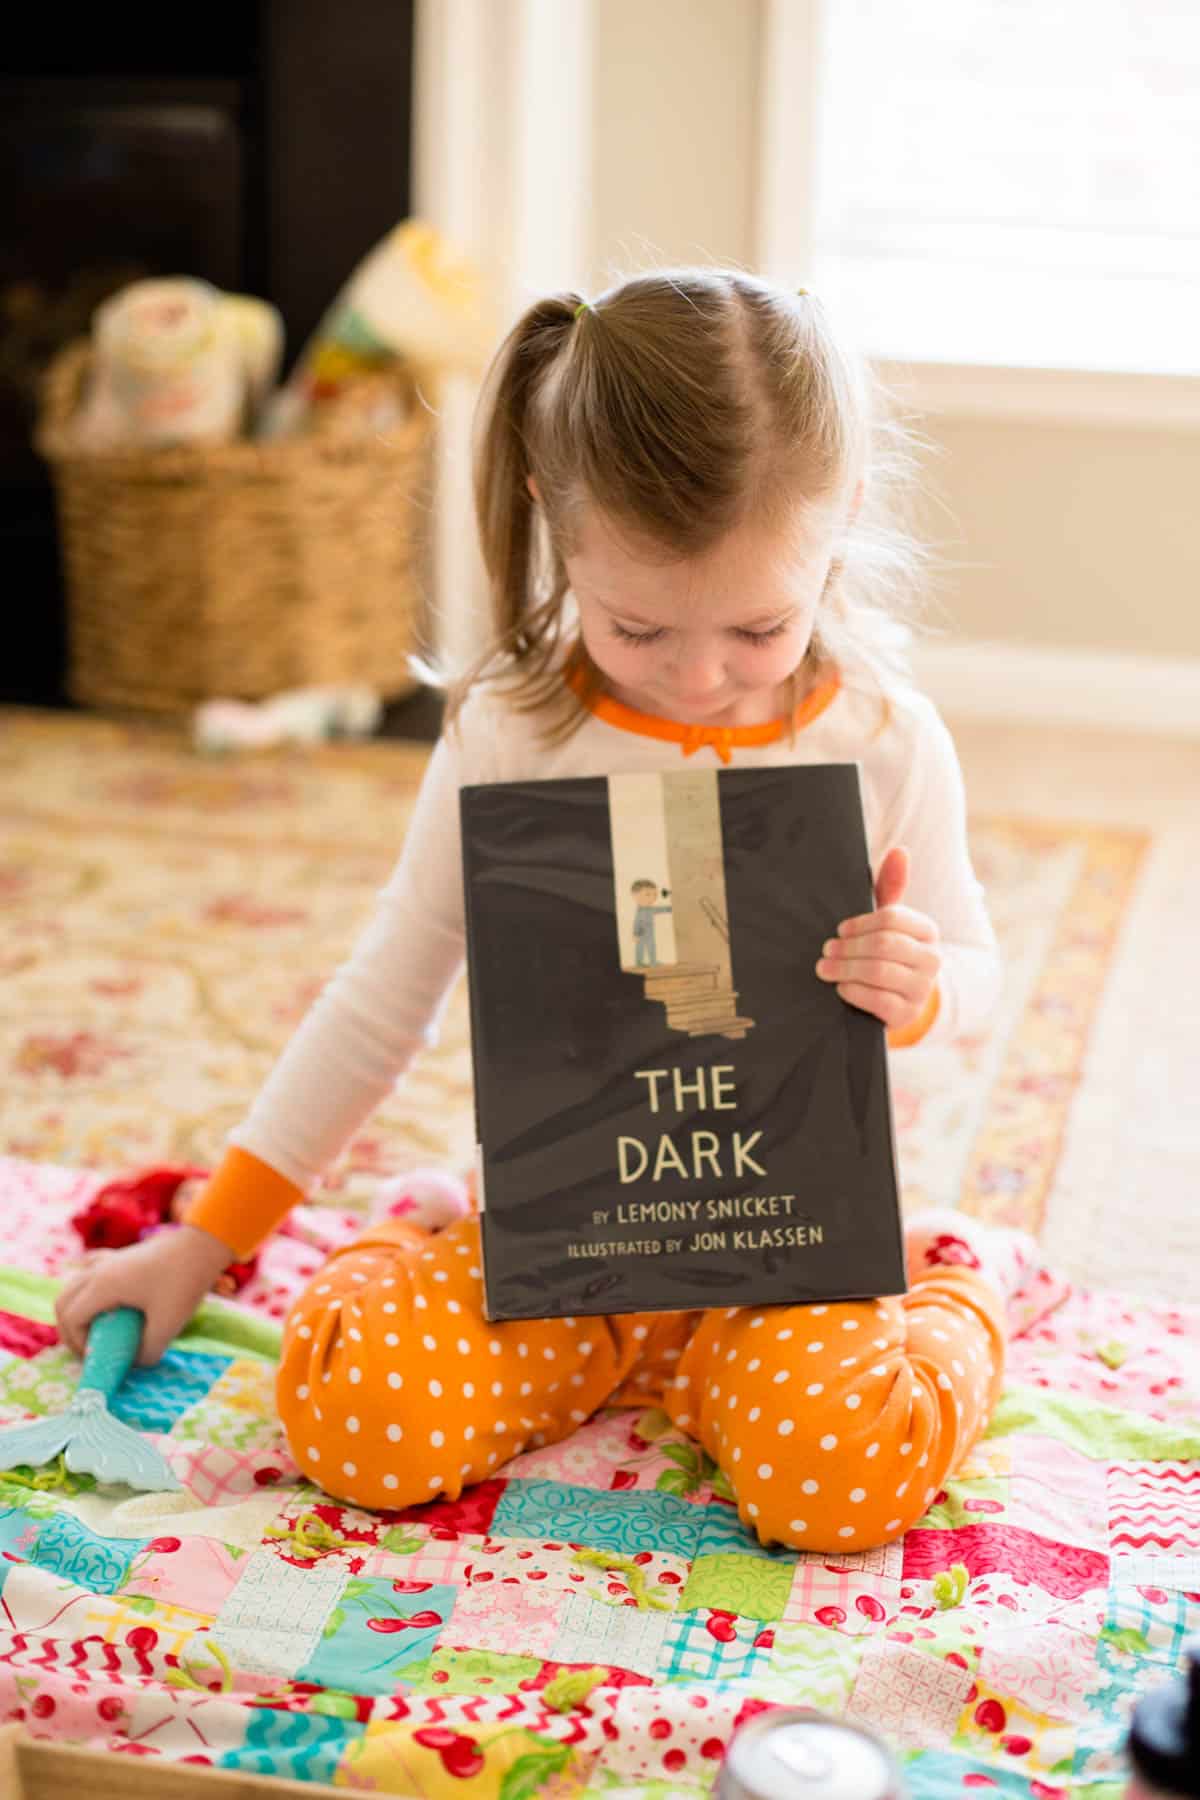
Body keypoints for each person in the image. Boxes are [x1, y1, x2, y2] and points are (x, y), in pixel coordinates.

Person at [55, 268, 1031, 1553]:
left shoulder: (887, 742)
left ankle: (956, 1286)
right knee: (354, 1423)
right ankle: (421, 1230)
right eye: (637, 627)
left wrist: (929, 988)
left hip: (785, 1240)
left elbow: (974, 966)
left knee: (841, 1486)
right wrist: (203, 1245)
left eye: (759, 626)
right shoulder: (512, 737)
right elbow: (380, 998)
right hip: (565, 1229)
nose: (697, 676)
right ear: (551, 521)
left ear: (840, 518)